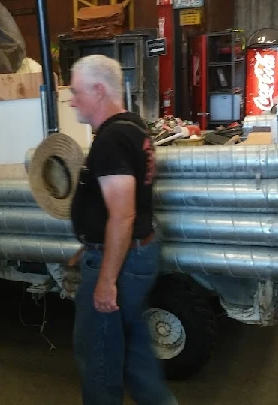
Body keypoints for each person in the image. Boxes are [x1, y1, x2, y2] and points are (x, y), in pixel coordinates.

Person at [68, 54, 178, 405]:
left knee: (99, 355)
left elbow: (123, 215)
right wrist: (92, 242)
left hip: (120, 262)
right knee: (135, 350)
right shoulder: (134, 127)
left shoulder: (111, 140)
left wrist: (105, 279)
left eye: (76, 92)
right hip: (133, 253)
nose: (72, 101)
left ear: (99, 91)